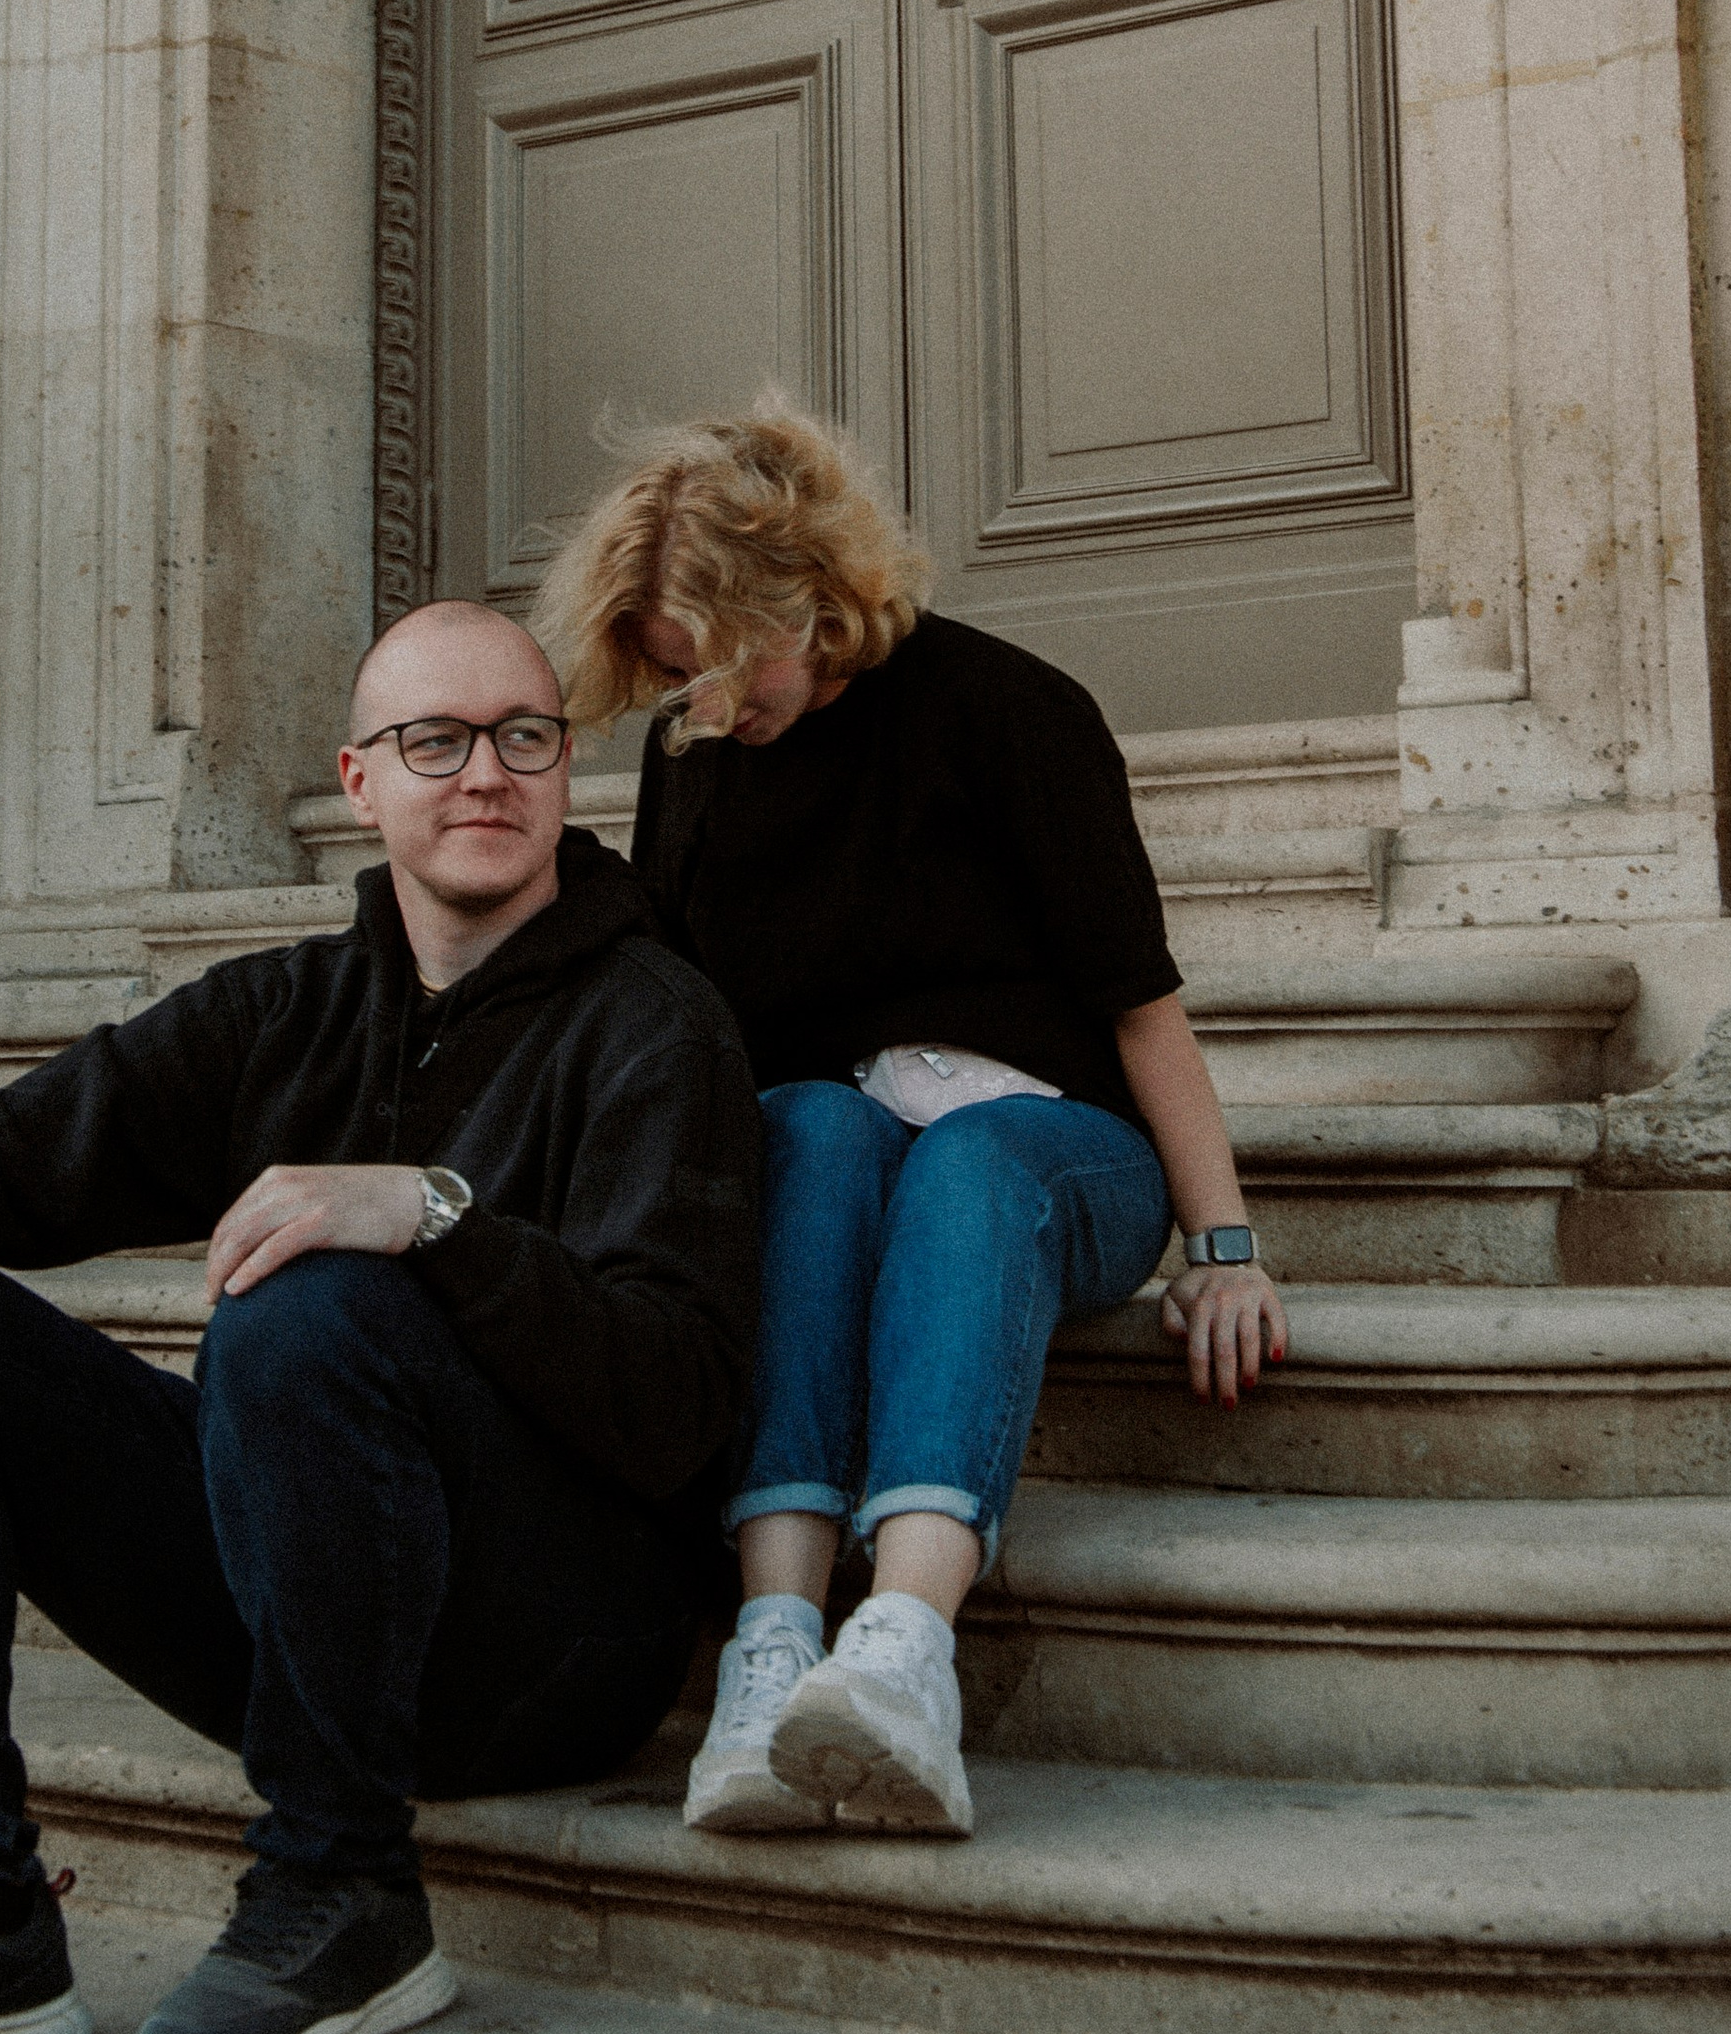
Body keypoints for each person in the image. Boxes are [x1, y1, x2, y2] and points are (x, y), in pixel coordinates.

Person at [0, 601, 757, 2034]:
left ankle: (345, 1891)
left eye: (523, 737)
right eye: (435, 740)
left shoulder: (656, 1023)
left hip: (547, 1645)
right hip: (303, 1606)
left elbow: (678, 1403)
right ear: (361, 783)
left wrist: (434, 1219)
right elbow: (12, 1152)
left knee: (311, 1294)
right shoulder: (287, 1008)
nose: (484, 774)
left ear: (566, 768)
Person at [532, 401, 1286, 1844]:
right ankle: (771, 1652)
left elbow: (1141, 1006)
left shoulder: (1012, 714)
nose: (703, 701)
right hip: (844, 1161)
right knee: (806, 1131)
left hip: (1056, 1154)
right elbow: (680, 1024)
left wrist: (1228, 1243)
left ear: (811, 597)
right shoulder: (702, 764)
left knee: (969, 1160)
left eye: (720, 660)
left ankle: (902, 1651)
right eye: (672, 673)